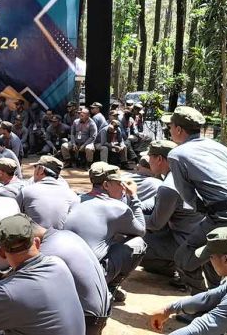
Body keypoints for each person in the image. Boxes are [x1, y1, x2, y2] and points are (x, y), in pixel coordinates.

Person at [164, 106, 227, 291]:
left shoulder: (176, 154)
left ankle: (200, 307)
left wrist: (206, 209)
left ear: (179, 129)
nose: (169, 130)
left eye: (170, 126)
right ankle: (217, 297)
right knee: (211, 250)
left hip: (226, 215)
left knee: (184, 258)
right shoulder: (219, 147)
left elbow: (188, 195)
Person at [149, 227, 227, 335]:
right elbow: (212, 296)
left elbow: (204, 328)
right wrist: (170, 309)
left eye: (211, 257)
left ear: (226, 259)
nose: (208, 261)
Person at [64, 162, 146, 302]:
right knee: (139, 243)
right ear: (106, 185)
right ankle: (108, 287)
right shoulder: (118, 207)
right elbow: (141, 230)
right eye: (119, 183)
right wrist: (134, 197)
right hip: (88, 276)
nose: (123, 188)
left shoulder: (76, 200)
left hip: (64, 273)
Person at [139, 140, 204, 289]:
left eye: (150, 157)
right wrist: (132, 206)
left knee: (131, 241)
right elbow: (153, 204)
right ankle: (181, 267)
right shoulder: (184, 174)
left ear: (160, 159)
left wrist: (129, 218)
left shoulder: (169, 186)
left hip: (186, 241)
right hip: (196, 234)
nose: (148, 162)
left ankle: (185, 271)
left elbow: (155, 224)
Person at [31, 222, 112, 335]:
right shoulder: (67, 234)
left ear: (35, 241)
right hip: (102, 312)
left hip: (86, 320)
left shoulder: (47, 252)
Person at [16, 156, 79, 230]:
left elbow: (16, 218)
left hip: (35, 239)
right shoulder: (72, 195)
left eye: (36, 167)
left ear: (41, 170)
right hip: (62, 238)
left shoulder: (25, 191)